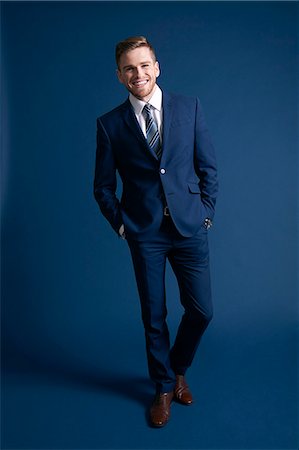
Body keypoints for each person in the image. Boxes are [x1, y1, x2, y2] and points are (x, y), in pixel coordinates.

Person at [94, 36, 218, 427]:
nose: (138, 74)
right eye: (129, 68)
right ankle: (164, 386)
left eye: (144, 65)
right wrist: (121, 223)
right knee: (154, 315)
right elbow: (102, 186)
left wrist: (206, 213)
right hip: (144, 231)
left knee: (201, 311)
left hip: (188, 226)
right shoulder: (110, 124)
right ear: (119, 76)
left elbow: (207, 167)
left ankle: (178, 368)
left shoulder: (189, 108)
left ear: (157, 66)